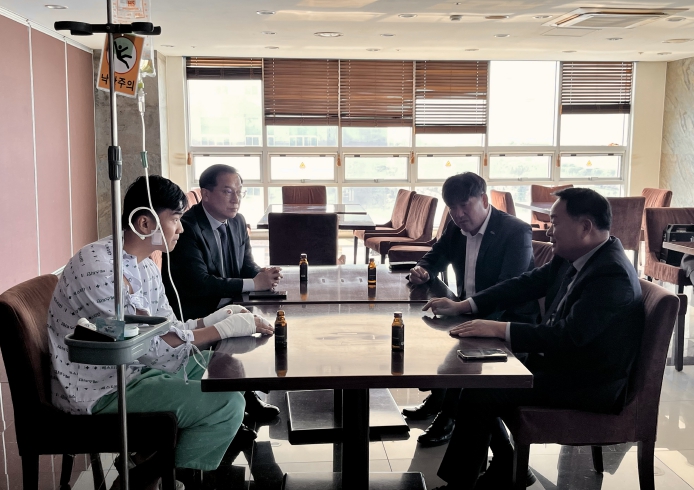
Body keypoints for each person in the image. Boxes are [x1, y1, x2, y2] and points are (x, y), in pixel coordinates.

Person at [48, 175, 275, 483]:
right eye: (176, 219)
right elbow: (150, 349)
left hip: (136, 372)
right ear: (145, 223)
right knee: (227, 405)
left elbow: (169, 329)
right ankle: (154, 477)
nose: (181, 229)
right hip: (102, 390)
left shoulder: (143, 264)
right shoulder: (99, 268)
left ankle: (147, 458)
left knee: (228, 367)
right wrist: (223, 330)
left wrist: (215, 319)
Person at [425, 187, 644, 490]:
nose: (549, 231)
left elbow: (567, 336)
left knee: (482, 392)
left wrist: (499, 329)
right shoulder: (576, 256)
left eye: (555, 222)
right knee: (478, 376)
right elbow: (524, 284)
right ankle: (505, 466)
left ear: (585, 227)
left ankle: (462, 486)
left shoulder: (611, 274)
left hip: (589, 382)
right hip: (562, 363)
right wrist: (465, 306)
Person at [402, 173, 537, 447]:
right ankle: (440, 400)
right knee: (428, 329)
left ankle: (449, 417)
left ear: (484, 200)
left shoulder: (515, 231)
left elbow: (507, 290)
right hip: (468, 310)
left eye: (464, 205)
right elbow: (436, 255)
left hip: (507, 319)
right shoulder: (456, 228)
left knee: (462, 346)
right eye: (452, 208)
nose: (458, 214)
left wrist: (465, 309)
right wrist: (423, 270)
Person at [163, 164, 282, 424]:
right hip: (197, 308)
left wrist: (264, 275)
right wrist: (253, 284)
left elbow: (246, 266)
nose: (236, 199)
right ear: (206, 194)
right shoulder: (188, 227)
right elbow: (199, 284)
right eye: (228, 191)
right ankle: (234, 405)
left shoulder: (237, 221)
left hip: (229, 302)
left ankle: (244, 394)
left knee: (271, 323)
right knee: (245, 325)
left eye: (239, 192)